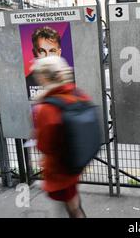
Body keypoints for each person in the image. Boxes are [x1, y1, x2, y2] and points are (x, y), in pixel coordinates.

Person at [31, 56, 87, 218]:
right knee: (73, 205)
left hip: (59, 169)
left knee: (72, 207)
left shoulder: (47, 108)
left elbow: (44, 145)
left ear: (43, 78)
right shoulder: (76, 94)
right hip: (75, 162)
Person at [26, 26, 62, 100]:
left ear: (59, 53)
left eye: (52, 51)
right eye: (42, 51)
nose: (47, 56)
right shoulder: (26, 83)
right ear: (34, 53)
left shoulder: (71, 80)